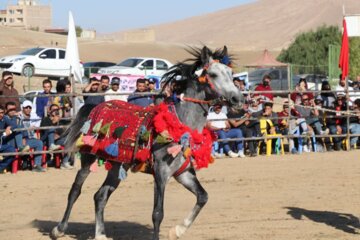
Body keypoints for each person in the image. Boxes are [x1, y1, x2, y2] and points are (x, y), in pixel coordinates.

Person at [40, 104, 73, 169]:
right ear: (49, 111)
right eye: (53, 110)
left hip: (56, 140)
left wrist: (57, 123)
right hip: (45, 140)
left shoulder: (59, 120)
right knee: (51, 128)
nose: (55, 111)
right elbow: (45, 131)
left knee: (69, 140)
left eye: (57, 110)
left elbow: (61, 133)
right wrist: (53, 122)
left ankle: (64, 162)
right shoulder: (45, 119)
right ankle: (51, 145)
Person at [18, 100, 45, 172]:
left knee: (39, 143)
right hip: (21, 140)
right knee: (36, 143)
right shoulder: (19, 116)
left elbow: (39, 120)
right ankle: (25, 162)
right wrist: (23, 137)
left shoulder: (33, 115)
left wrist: (34, 126)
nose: (28, 109)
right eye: (26, 108)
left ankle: (37, 165)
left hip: (31, 139)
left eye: (29, 108)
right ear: (22, 108)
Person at [0, 105, 16, 173]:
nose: (0, 114)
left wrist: (9, 128)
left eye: (2, 112)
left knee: (12, 151)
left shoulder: (4, 118)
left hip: (2, 143)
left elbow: (14, 125)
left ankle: (0, 167)